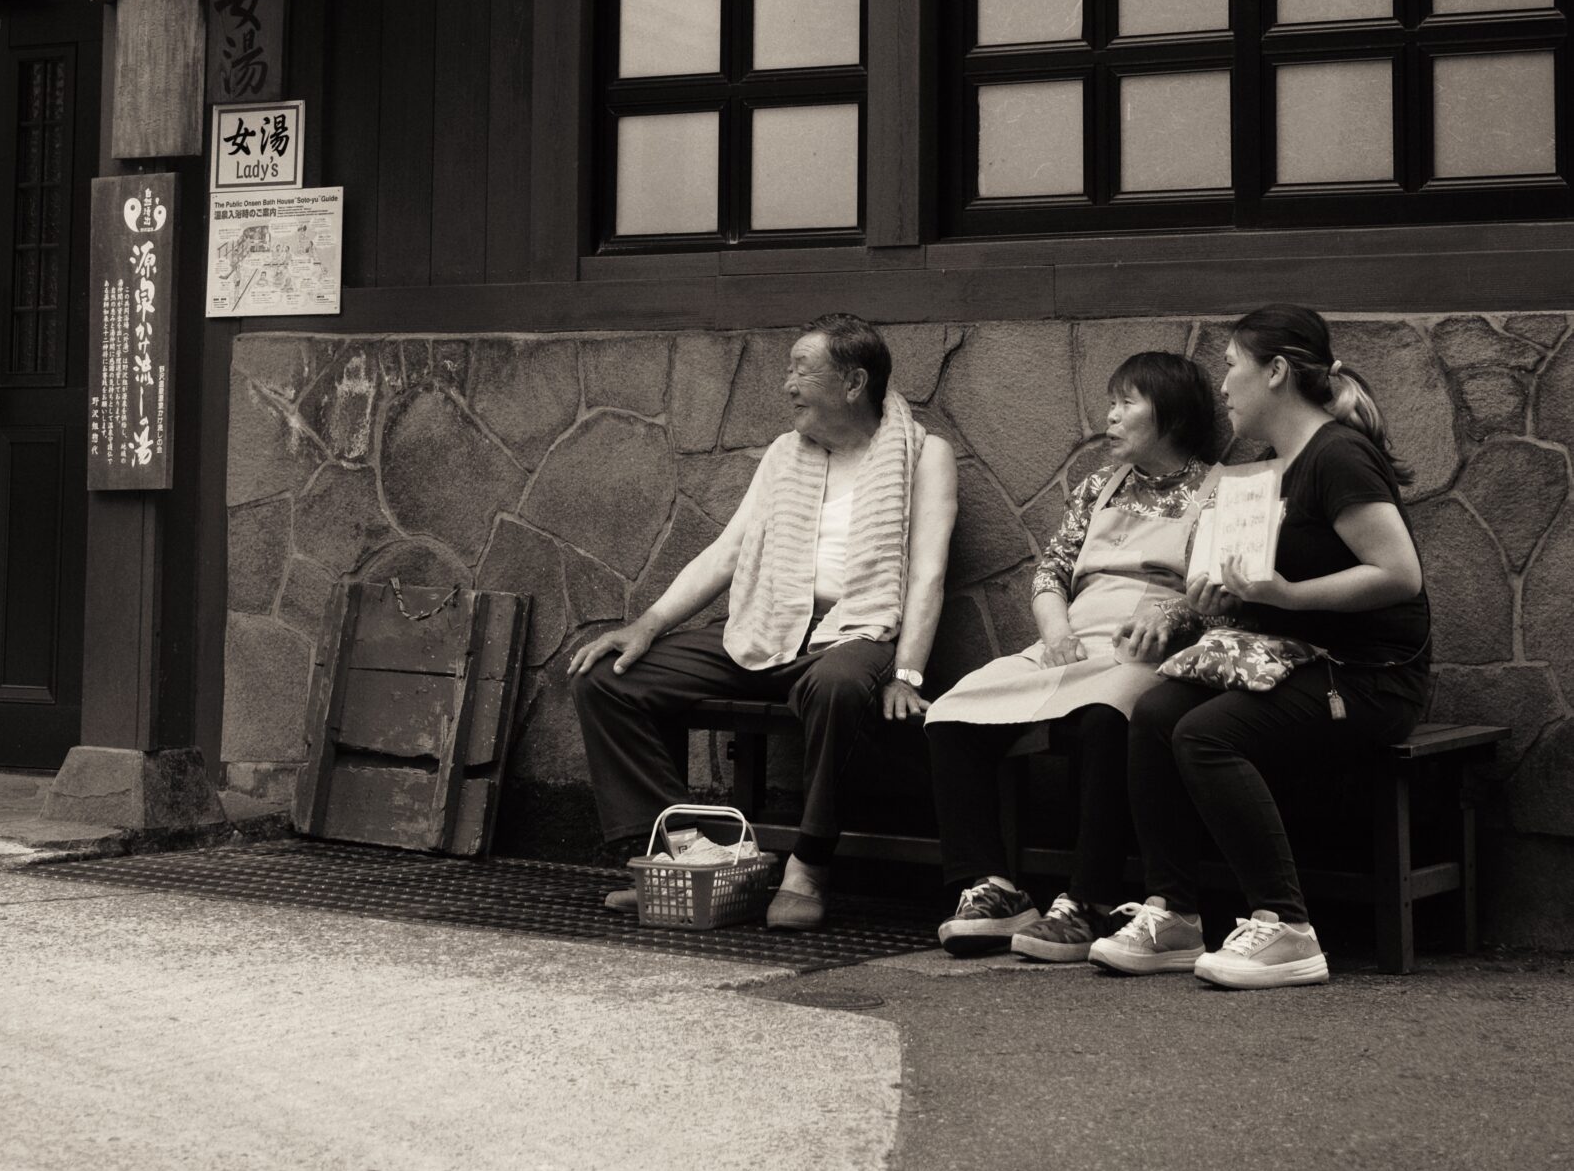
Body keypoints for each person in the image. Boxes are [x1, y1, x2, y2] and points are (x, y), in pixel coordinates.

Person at [568, 314, 958, 929]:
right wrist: (648, 624)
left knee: (838, 685)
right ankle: (681, 860)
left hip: (854, 632)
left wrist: (906, 671)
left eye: (802, 370)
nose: (787, 385)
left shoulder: (922, 453)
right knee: (609, 677)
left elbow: (927, 574)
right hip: (766, 628)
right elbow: (726, 552)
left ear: (854, 382)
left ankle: (809, 865)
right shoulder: (785, 454)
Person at [1092, 305, 1431, 991]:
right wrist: (1213, 601)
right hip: (1291, 663)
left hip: (1367, 679)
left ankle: (1286, 927)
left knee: (1205, 733)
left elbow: (1398, 575)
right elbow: (1256, 583)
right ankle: (1174, 913)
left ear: (1274, 372)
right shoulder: (1263, 468)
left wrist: (1282, 595)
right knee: (1155, 712)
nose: (1222, 386)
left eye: (1230, 366)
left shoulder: (1336, 454)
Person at [922, 351, 1221, 960]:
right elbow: (1051, 571)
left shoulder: (1220, 493)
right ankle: (990, 886)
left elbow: (1222, 591)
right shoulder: (1097, 486)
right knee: (951, 714)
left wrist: (1169, 618)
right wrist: (1055, 630)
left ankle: (1088, 900)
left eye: (1125, 403)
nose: (1110, 417)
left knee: (1107, 719)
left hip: (1146, 652)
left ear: (1171, 414)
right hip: (1070, 642)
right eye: (1111, 402)